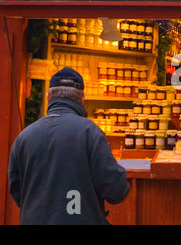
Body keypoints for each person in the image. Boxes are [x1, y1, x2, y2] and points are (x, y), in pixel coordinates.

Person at [8, 67, 129, 225]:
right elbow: (116, 190)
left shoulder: (23, 137)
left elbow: (17, 191)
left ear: (48, 96)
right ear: (83, 98)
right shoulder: (90, 133)